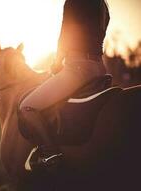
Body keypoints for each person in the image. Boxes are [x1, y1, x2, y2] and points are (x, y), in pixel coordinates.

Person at [18, 0, 110, 146]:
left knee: (27, 107)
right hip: (100, 69)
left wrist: (56, 63)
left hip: (78, 69)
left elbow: (65, 36)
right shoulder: (102, 5)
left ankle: (49, 154)